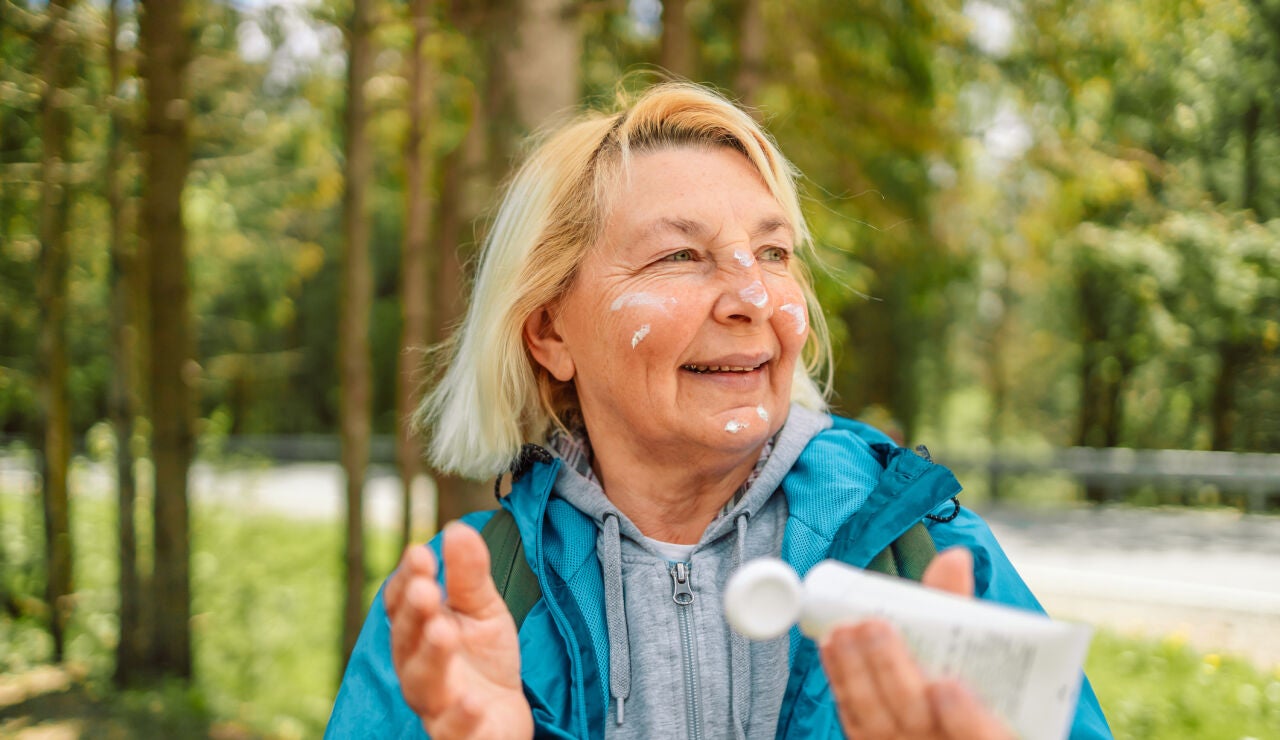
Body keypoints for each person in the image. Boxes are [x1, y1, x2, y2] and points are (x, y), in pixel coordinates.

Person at [326, 81, 1112, 739]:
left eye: (773, 253)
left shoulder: (929, 560)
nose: (753, 298)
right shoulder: (458, 607)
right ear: (549, 332)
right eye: (680, 256)